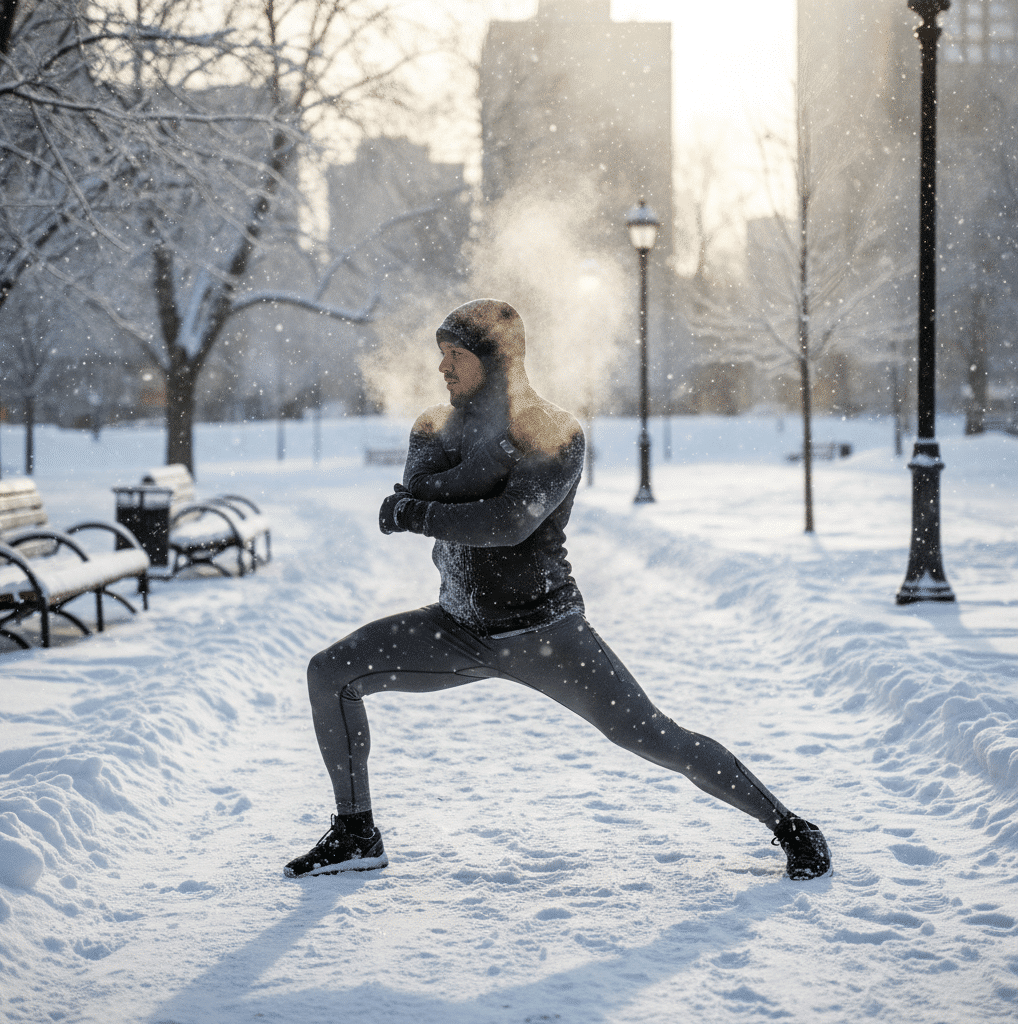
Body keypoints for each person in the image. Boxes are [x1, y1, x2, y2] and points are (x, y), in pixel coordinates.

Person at [285, 298, 831, 881]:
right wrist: (487, 463)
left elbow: (505, 523)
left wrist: (429, 502)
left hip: (545, 634)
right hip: (456, 629)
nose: (442, 368)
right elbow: (423, 485)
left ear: (496, 361)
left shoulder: (555, 431)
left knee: (651, 734)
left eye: (457, 356)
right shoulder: (433, 425)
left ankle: (791, 827)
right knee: (330, 672)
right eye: (440, 355)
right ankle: (356, 834)